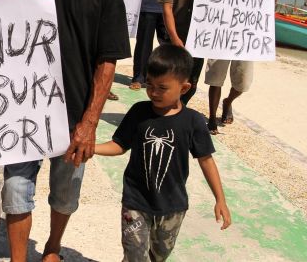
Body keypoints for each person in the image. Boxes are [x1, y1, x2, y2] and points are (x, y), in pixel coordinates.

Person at [4, 0, 131, 261]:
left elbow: (107, 62)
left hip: (74, 115)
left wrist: (90, 122)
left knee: (65, 193)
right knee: (14, 189)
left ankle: (53, 246)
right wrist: (22, 7)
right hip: (22, 109)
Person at [95, 44, 231, 261]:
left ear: (184, 88)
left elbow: (206, 160)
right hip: (136, 202)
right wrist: (92, 148)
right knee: (135, 256)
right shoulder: (139, 112)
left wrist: (220, 199)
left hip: (173, 207)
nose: (153, 92)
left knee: (158, 257)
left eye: (162, 87)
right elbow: (119, 145)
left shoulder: (193, 121)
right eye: (150, 84)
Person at [204, 0, 282, 134]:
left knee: (242, 82)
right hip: (222, 36)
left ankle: (228, 101)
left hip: (246, 38)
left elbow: (267, 9)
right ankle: (212, 118)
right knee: (215, 78)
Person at [157, 0, 219, 105]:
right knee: (169, 81)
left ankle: (178, 111)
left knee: (190, 84)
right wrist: (175, 38)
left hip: (198, 40)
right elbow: (167, 9)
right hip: (174, 37)